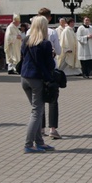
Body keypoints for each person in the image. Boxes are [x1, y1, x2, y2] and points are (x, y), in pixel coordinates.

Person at [20, 16, 56, 153]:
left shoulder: (26, 40)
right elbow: (50, 64)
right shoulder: (45, 43)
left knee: (37, 110)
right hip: (36, 79)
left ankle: (39, 142)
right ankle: (28, 144)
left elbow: (22, 56)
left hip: (25, 78)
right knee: (36, 112)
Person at [38, 8, 62, 140]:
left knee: (39, 100)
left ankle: (41, 129)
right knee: (53, 99)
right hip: (50, 69)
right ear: (49, 18)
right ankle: (52, 129)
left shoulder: (30, 32)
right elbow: (58, 51)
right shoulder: (51, 32)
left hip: (36, 71)